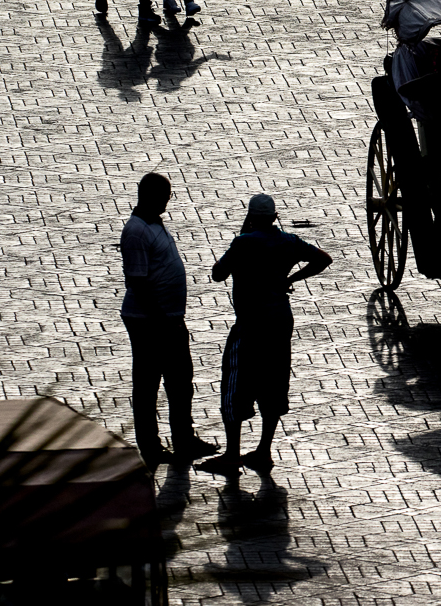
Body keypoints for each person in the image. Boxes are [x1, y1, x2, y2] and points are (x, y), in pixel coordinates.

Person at [196, 194, 332, 476]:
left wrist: (243, 237)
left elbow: (218, 273)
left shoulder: (243, 243)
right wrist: (291, 279)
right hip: (280, 321)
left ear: (251, 217)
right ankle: (263, 451)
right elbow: (323, 259)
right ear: (274, 217)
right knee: (274, 381)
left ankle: (232, 454)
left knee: (236, 383)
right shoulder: (289, 242)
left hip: (251, 323)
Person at [120, 173, 218, 469]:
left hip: (168, 320)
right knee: (149, 384)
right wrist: (164, 320)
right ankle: (151, 445)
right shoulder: (136, 231)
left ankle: (183, 439)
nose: (167, 201)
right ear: (149, 196)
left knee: (180, 381)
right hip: (151, 322)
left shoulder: (154, 223)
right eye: (164, 195)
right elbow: (137, 282)